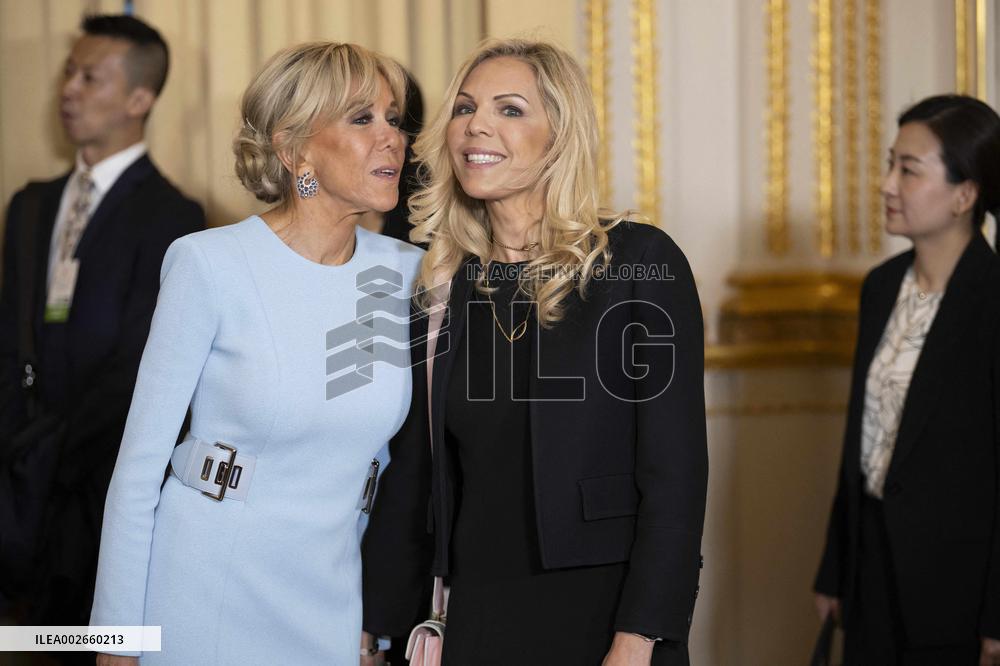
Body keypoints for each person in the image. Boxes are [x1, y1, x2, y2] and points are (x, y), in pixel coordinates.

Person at [362, 39, 707, 665]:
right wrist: (378, 627)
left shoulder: (639, 262)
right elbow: (415, 475)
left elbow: (676, 476)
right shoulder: (440, 283)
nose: (478, 126)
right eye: (464, 108)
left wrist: (641, 635)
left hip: (604, 609)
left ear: (560, 135)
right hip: (477, 612)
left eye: (511, 109)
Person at [89, 42, 422, 664]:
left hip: (333, 601)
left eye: (394, 118)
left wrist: (374, 621)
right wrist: (116, 643)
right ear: (294, 149)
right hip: (203, 588)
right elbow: (138, 468)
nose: (392, 139)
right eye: (361, 119)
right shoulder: (209, 264)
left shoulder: (406, 274)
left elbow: (390, 464)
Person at [0, 13, 204, 630]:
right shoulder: (31, 204)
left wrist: (58, 451)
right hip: (21, 477)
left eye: (91, 77)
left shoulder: (172, 213)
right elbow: (11, 336)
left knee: (94, 639)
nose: (69, 90)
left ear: (140, 98)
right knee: (28, 640)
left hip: (103, 483)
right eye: (69, 72)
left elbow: (143, 363)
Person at [814, 94, 1000, 665]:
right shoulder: (881, 286)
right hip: (870, 571)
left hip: (957, 592)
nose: (886, 184)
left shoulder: (993, 300)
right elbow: (863, 437)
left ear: (965, 194)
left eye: (908, 170)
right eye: (889, 164)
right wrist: (835, 569)